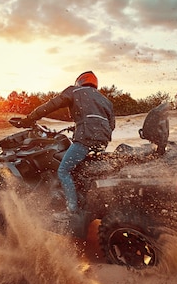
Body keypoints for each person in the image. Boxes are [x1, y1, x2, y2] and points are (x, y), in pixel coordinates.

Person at [20, 71, 115, 236]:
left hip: (85, 139)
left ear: (80, 81)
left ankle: (72, 211)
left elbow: (50, 105)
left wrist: (29, 119)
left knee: (64, 170)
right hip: (102, 141)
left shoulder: (74, 91)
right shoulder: (104, 99)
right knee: (83, 169)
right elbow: (111, 123)